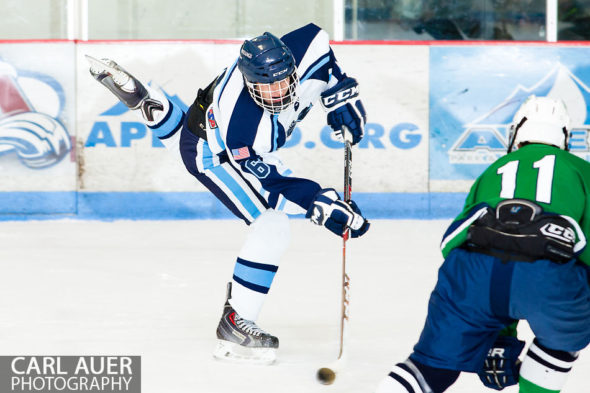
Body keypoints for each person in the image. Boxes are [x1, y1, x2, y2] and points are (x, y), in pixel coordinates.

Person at [87, 23, 370, 365]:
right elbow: (272, 186)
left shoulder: (307, 44)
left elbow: (324, 55)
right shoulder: (245, 126)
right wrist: (319, 202)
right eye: (267, 87)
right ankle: (235, 326)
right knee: (272, 222)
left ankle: (150, 103)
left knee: (184, 134)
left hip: (204, 114)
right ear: (249, 82)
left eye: (284, 80)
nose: (279, 92)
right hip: (213, 153)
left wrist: (339, 92)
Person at [375, 96, 590, 393]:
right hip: (547, 275)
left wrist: (498, 332)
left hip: (472, 272)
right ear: (564, 138)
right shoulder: (581, 170)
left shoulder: (494, 168)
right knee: (558, 345)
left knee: (430, 369)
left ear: (516, 134)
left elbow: (454, 241)